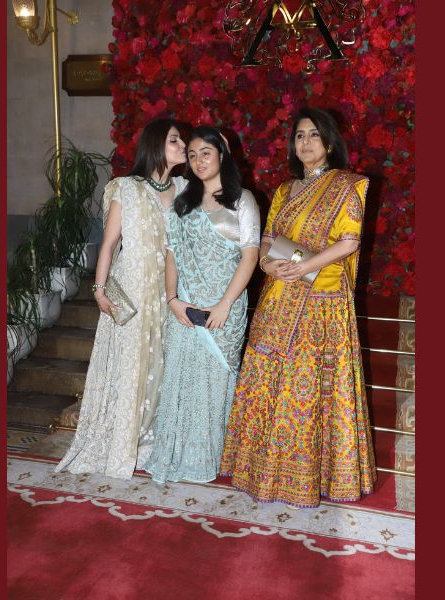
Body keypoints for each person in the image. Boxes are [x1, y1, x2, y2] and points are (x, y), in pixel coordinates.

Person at [219, 107, 376, 507]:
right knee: (268, 376)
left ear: (329, 143)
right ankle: (262, 469)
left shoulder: (347, 186)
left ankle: (310, 476)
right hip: (280, 294)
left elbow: (349, 242)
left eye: (313, 135)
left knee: (306, 385)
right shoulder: (285, 190)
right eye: (300, 135)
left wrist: (305, 266)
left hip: (322, 299)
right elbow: (268, 239)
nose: (305, 142)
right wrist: (268, 265)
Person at [54, 118, 187, 479]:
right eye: (175, 140)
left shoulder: (185, 188)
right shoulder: (126, 188)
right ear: (157, 145)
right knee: (131, 366)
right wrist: (98, 290)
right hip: (132, 289)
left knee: (162, 364)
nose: (182, 146)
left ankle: (151, 443)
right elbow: (110, 243)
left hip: (169, 291)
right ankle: (122, 442)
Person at [144, 126, 260, 484]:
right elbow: (172, 255)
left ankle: (213, 455)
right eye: (192, 155)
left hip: (225, 308)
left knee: (214, 381)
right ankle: (180, 453)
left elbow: (250, 256)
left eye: (205, 153)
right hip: (186, 305)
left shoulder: (242, 200)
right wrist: (173, 299)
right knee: (183, 379)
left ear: (221, 155)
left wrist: (224, 305)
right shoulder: (183, 202)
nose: (198, 161)